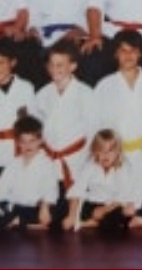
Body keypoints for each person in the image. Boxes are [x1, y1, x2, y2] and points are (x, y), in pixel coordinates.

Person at [31, 42, 96, 207]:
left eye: (60, 65)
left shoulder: (86, 94)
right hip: (49, 160)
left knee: (72, 209)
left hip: (76, 162)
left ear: (73, 66)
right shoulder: (42, 94)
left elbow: (93, 131)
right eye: (51, 65)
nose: (54, 69)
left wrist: (89, 160)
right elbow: (37, 130)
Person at [92, 31, 142, 165]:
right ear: (115, 54)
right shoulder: (104, 86)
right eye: (123, 51)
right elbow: (95, 123)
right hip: (117, 154)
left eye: (133, 51)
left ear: (140, 53)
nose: (128, 55)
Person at [0, 116, 59, 231]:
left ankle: (20, 222)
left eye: (32, 141)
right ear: (17, 142)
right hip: (14, 207)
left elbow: (50, 188)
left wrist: (45, 206)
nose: (28, 146)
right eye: (23, 142)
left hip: (36, 207)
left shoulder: (46, 164)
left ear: (40, 141)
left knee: (53, 212)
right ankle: (19, 222)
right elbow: (1, 186)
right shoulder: (14, 163)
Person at [0, 42, 35, 192]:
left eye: (1, 62)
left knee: (18, 187)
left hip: (17, 146)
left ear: (12, 62)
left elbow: (31, 120)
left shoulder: (26, 88)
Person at [63, 129, 138, 232]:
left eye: (110, 151)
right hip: (93, 203)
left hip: (113, 205)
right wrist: (71, 216)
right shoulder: (90, 165)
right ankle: (92, 221)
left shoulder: (123, 167)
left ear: (118, 152)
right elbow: (77, 190)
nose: (106, 155)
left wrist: (104, 210)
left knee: (124, 213)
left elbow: (124, 195)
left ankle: (91, 222)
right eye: (101, 151)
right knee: (67, 207)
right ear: (95, 151)